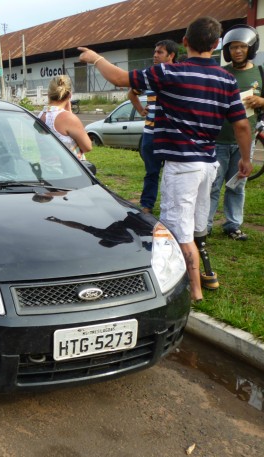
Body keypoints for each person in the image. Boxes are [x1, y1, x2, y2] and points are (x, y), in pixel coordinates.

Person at [78, 16, 252, 302]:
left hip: (182, 166)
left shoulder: (170, 73)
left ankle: (193, 290)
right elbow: (242, 126)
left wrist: (96, 58)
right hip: (209, 164)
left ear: (185, 43)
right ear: (218, 44)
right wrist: (246, 159)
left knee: (176, 230)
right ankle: (202, 279)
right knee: (196, 226)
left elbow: (121, 79)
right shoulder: (227, 79)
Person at [207, 25, 262, 241]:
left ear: (251, 48)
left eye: (242, 47)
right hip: (218, 139)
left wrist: (261, 101)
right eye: (233, 47)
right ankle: (205, 225)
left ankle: (232, 225)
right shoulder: (221, 74)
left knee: (237, 186)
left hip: (245, 142)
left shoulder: (260, 73)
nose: (237, 51)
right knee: (212, 186)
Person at [127, 40, 178, 214]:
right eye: (155, 52)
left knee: (173, 174)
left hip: (172, 134)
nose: (155, 55)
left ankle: (171, 207)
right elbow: (131, 93)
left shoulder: (179, 75)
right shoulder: (149, 76)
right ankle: (147, 206)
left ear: (171, 56)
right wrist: (141, 109)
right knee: (151, 172)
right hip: (150, 133)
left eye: (160, 52)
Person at [38, 75, 92, 161]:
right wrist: (70, 113)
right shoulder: (69, 118)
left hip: (47, 169)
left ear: (48, 94)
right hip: (69, 170)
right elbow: (87, 147)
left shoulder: (41, 115)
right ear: (70, 95)